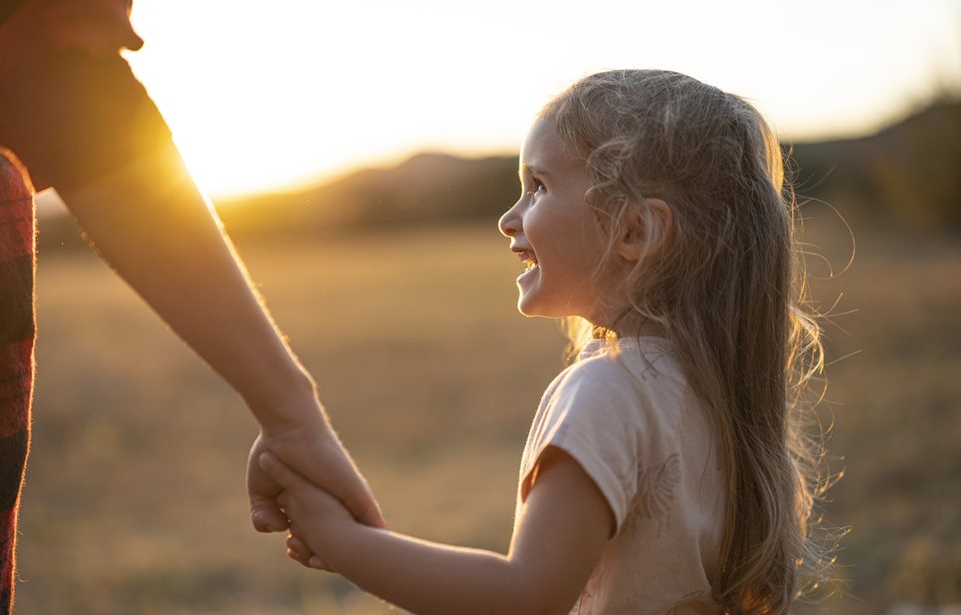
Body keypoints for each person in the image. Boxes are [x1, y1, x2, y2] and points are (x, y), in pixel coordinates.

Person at [0, 2, 381, 614]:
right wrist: (292, 413)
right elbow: (68, 82)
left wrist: (293, 411)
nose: (130, 32)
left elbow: (63, 92)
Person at [259, 69, 831, 614]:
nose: (510, 219)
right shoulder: (714, 385)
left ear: (634, 230)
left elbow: (524, 597)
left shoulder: (610, 389)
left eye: (538, 187)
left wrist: (340, 540)